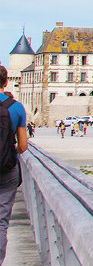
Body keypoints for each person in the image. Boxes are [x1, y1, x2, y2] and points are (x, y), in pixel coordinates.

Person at [1, 64, 30, 264]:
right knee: (1, 222)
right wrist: (10, 153)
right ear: (6, 81)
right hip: (6, 168)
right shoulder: (16, 107)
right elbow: (23, 145)